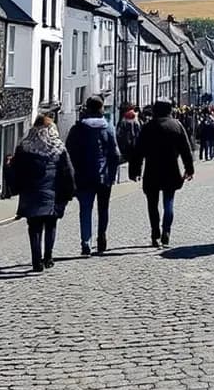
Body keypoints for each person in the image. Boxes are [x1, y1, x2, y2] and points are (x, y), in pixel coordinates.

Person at [12, 115, 76, 271]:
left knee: (34, 228)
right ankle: (48, 257)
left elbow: (16, 172)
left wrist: (16, 189)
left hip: (31, 195)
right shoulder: (58, 148)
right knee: (51, 225)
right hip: (52, 195)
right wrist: (70, 192)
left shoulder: (24, 147)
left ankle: (36, 261)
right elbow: (68, 172)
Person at [129, 99, 194, 247]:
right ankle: (166, 231)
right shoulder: (176, 125)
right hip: (171, 169)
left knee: (152, 204)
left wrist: (135, 171)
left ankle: (155, 234)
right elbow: (186, 149)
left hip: (152, 170)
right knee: (169, 202)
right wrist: (189, 169)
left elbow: (138, 151)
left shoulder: (148, 127)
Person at [66, 96, 121, 256]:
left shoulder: (77, 129)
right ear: (101, 109)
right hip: (103, 177)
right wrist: (111, 173)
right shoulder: (108, 127)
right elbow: (116, 154)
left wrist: (73, 173)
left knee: (85, 209)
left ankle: (86, 242)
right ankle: (101, 236)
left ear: (87, 109)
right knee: (103, 209)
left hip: (83, 177)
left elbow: (68, 152)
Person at [116, 105, 142, 182]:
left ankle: (131, 176)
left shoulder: (123, 120)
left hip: (127, 144)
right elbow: (140, 131)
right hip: (137, 143)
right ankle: (138, 175)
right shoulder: (137, 120)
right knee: (137, 160)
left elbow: (119, 134)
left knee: (130, 160)